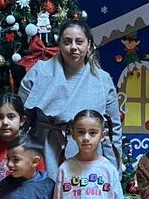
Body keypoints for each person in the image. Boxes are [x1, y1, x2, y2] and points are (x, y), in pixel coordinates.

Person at [20, 20, 122, 176]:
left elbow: (112, 128)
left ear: (89, 44)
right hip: (44, 151)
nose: (73, 47)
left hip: (88, 156)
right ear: (59, 45)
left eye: (79, 41)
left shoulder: (103, 79)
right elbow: (20, 117)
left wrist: (113, 168)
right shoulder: (39, 72)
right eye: (67, 42)